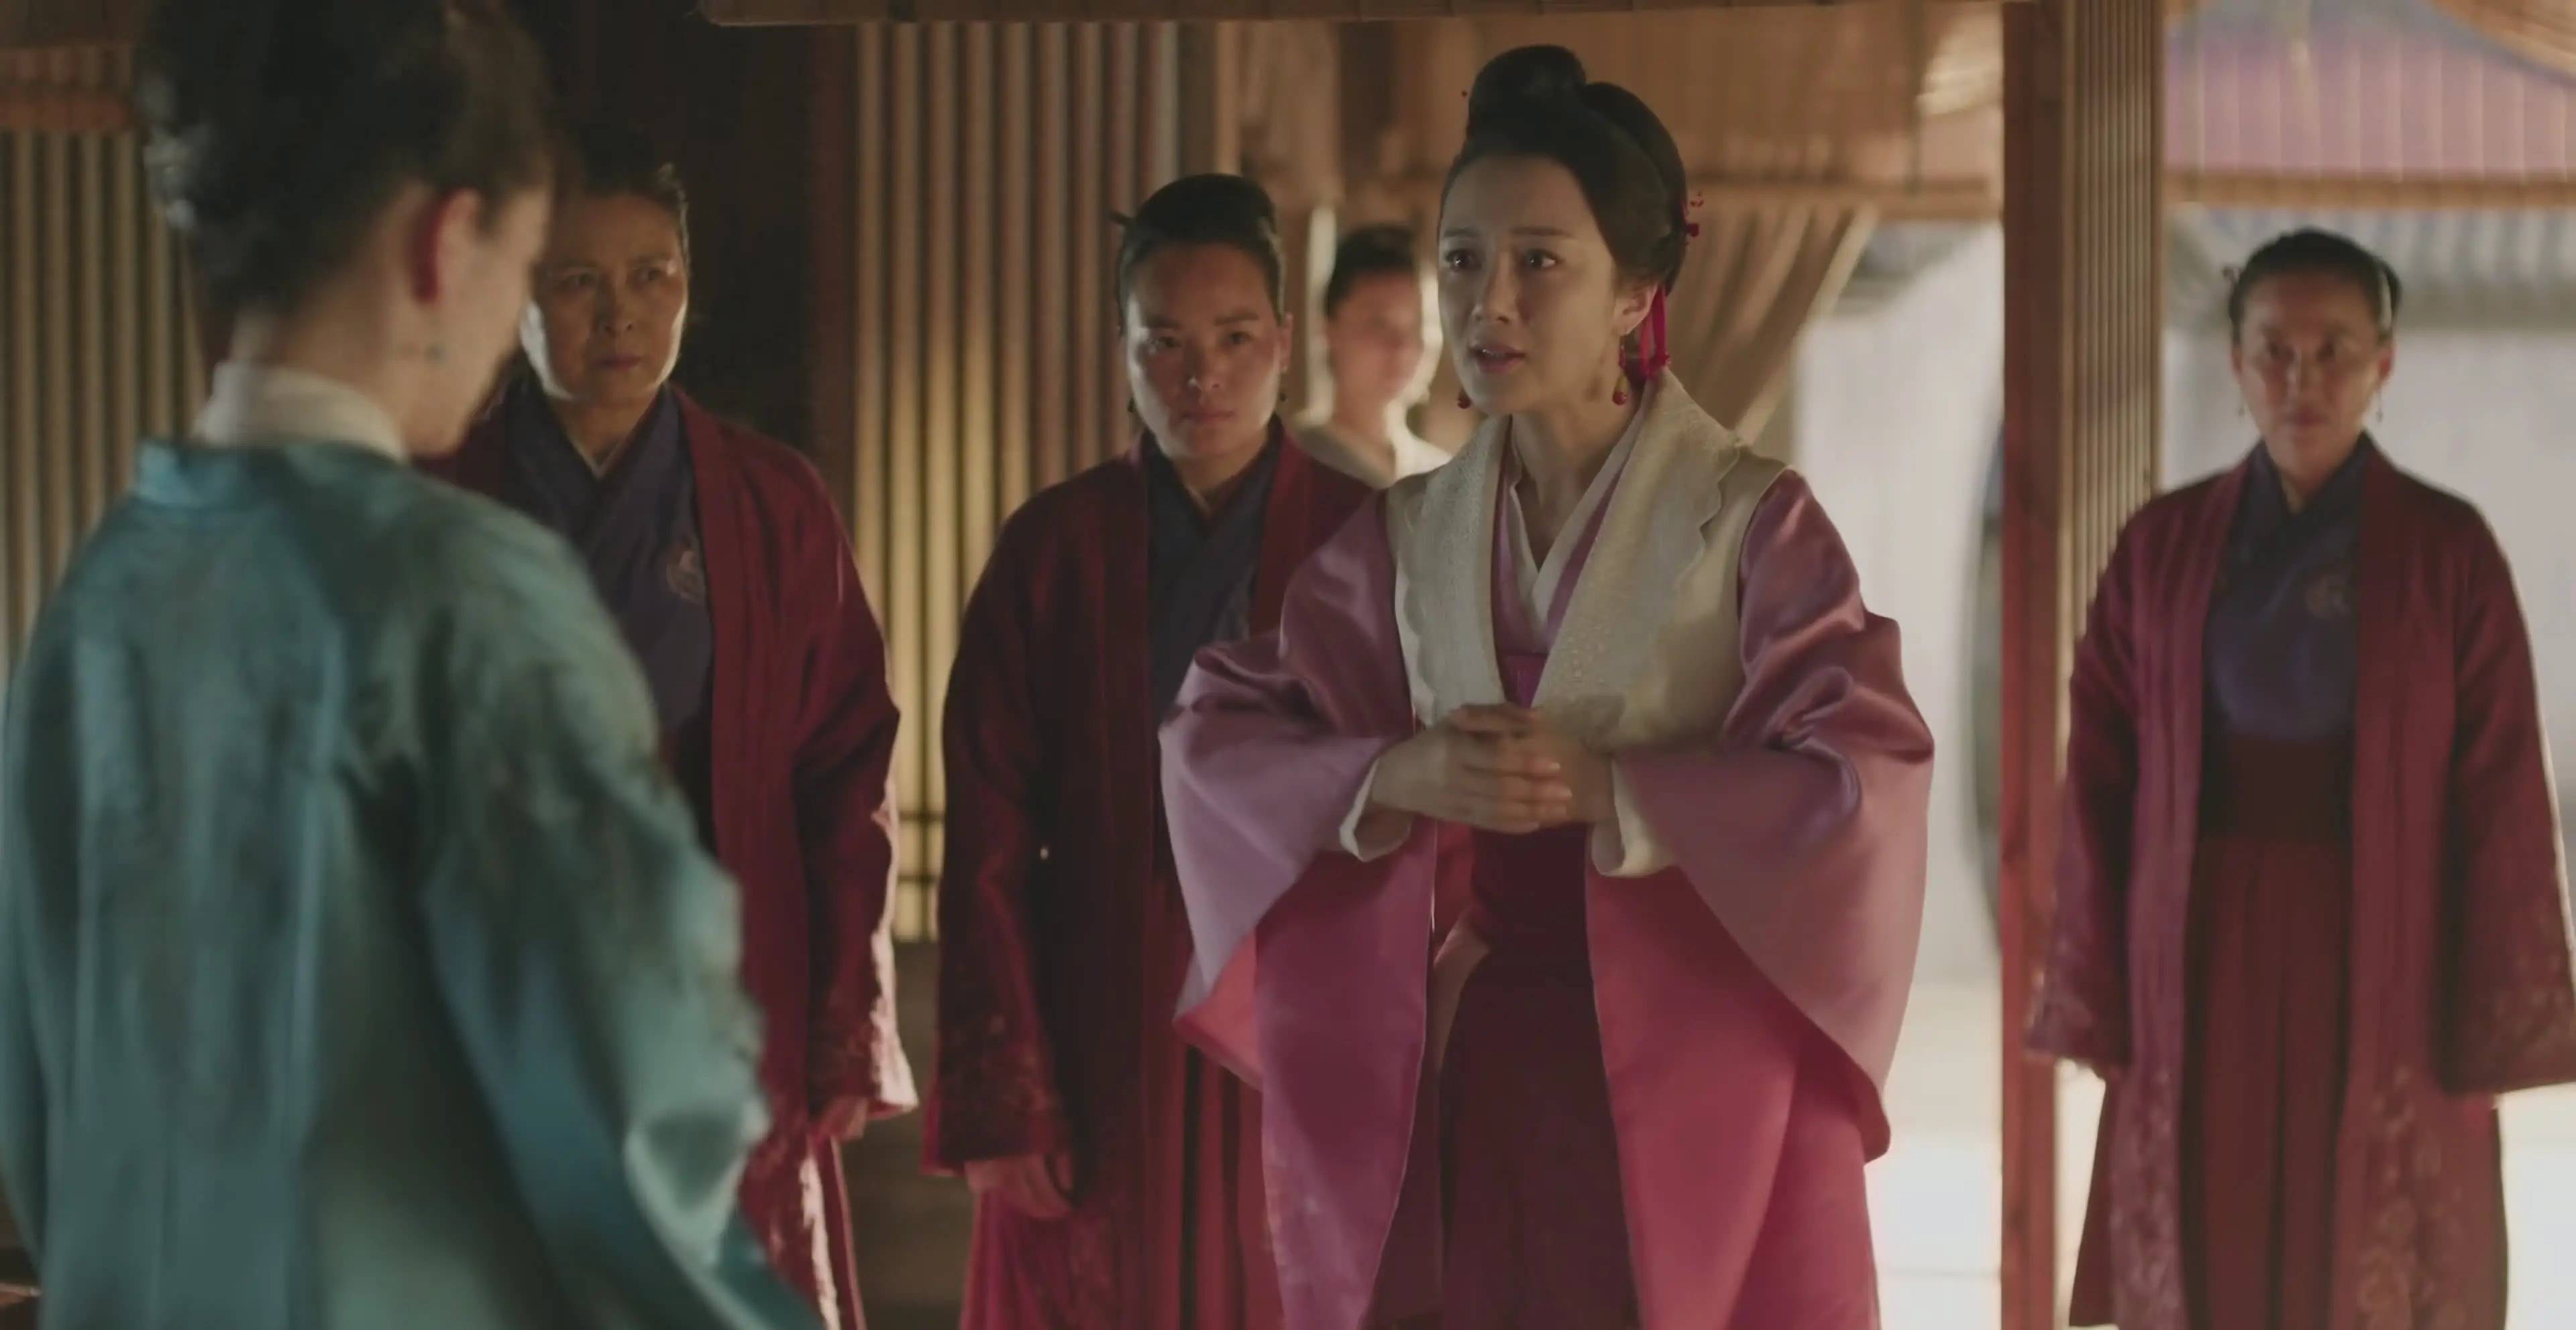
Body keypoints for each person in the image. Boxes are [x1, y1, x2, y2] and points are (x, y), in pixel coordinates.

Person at [0, 3, 818, 1327]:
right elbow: (630, 1131)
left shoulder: (97, 600)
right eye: (532, 262)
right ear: (450, 241)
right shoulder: (467, 601)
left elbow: (41, 1114)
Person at [1160, 46, 1933, 1330]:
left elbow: (1865, 774)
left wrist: (1620, 789)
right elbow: (1220, 729)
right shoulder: (1412, 533)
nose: (1492, 303)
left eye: (1540, 262)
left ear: (1635, 292)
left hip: (1692, 1065)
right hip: (1481, 1051)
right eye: (1463, 260)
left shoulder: (1753, 523)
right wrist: (1390, 772)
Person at [2031, 229, 2576, 1330]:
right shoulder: (2162, 546)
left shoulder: (2449, 549)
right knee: (2214, 1220)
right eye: (2275, 349)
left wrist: (2496, 998)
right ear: (2236, 361)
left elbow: (2502, 784)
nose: (2302, 379)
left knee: (2365, 1229)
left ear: (2385, 363)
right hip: (2201, 936)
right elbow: (2099, 772)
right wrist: (2100, 975)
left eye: (2335, 350)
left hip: (2388, 939)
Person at [427, 123, 908, 1330]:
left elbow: (846, 765)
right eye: (577, 280)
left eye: (652, 275)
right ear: (515, 289)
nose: (620, 315)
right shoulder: (438, 498)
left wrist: (846, 1014)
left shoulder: (770, 501)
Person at [926, 173, 1373, 1330]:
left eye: (1234, 338)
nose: (1200, 376)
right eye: (1163, 341)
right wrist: (1007, 1097)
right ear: (1122, 348)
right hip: (1093, 1012)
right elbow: (984, 838)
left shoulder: (1362, 540)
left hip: (1294, 1013)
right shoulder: (1052, 548)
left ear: (1285, 342)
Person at [1294, 225, 1448, 487]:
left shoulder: (1449, 480)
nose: (1402, 347)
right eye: (1379, 324)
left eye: (1420, 325)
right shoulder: (1289, 468)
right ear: (1328, 329)